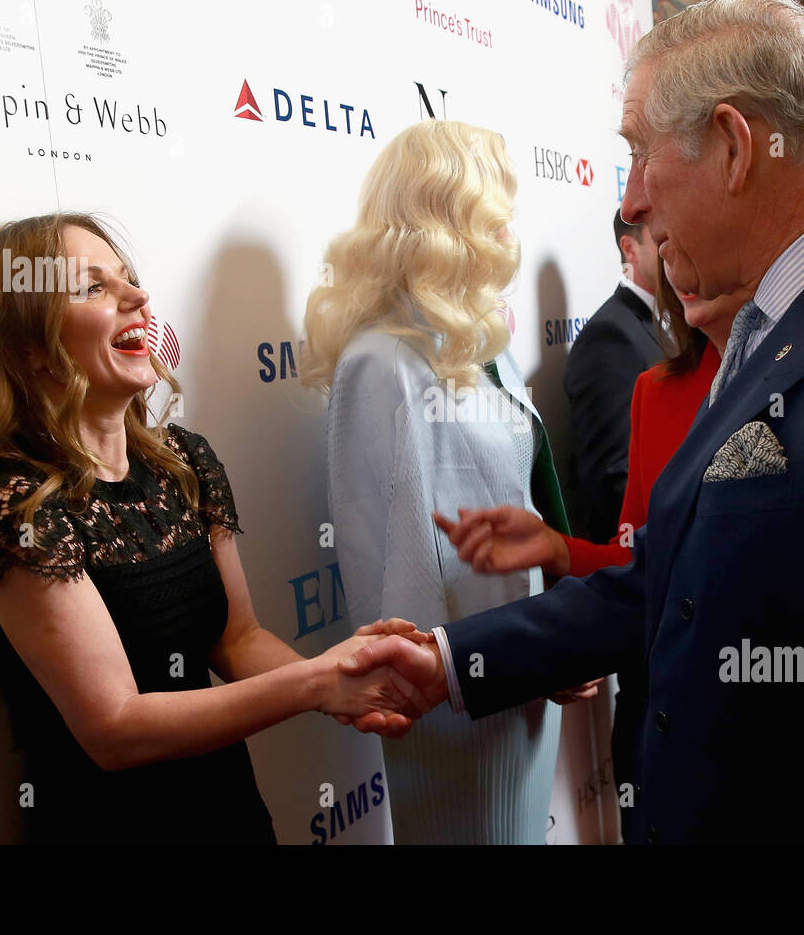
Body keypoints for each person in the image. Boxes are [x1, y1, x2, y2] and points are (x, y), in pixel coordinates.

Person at [342, 0, 804, 844]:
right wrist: (449, 660)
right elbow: (671, 584)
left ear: (735, 148)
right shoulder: (771, 329)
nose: (629, 202)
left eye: (638, 155)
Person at [0, 213, 422, 845]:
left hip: (232, 816)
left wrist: (346, 677)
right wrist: (316, 681)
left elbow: (237, 639)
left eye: (130, 279)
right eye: (93, 288)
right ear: (25, 346)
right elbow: (116, 728)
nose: (138, 298)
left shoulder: (183, 462)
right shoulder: (11, 504)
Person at [302, 120, 570, 844]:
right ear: (449, 210)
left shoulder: (483, 347)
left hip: (521, 671)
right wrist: (430, 685)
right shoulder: (379, 361)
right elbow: (382, 564)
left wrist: (558, 641)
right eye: (495, 202)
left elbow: (526, 502)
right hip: (452, 700)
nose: (509, 222)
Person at [437, 253, 747, 833]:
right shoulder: (655, 391)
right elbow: (641, 567)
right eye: (660, 236)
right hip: (662, 723)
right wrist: (559, 550)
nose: (671, 248)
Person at [563, 212, 666, 543]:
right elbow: (614, 482)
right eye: (660, 237)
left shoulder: (681, 322)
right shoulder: (609, 337)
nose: (673, 243)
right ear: (630, 249)